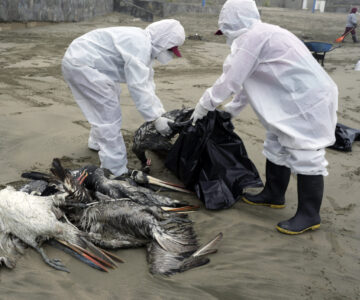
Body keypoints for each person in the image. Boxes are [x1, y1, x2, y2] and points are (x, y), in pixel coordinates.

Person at [191, 0, 338, 235]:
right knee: (275, 144)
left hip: (307, 100)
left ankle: (310, 215)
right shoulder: (261, 35)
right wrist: (231, 110)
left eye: (226, 29)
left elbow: (230, 81)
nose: (226, 35)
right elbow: (248, 81)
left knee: (306, 152)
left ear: (232, 23)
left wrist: (203, 106)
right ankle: (274, 194)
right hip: (290, 99)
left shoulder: (254, 38)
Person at [62, 19, 185, 176]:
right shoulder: (140, 45)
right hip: (83, 65)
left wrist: (160, 114)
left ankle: (96, 142)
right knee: (108, 115)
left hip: (83, 60)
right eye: (170, 50)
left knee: (110, 97)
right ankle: (115, 169)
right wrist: (155, 118)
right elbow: (138, 87)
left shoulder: (144, 43)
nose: (170, 55)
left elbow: (147, 82)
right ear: (163, 41)